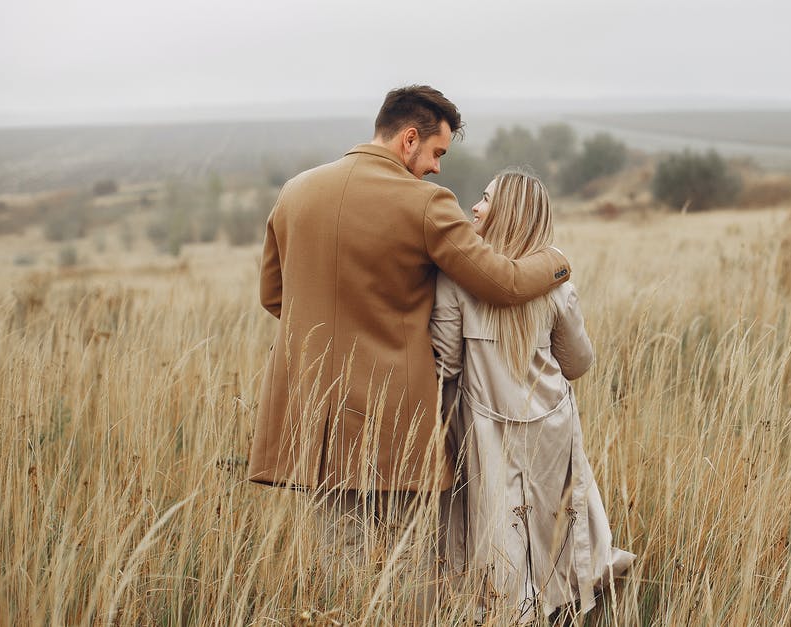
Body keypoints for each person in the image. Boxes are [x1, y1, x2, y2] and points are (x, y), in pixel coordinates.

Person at [247, 86, 571, 573]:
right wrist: (556, 263)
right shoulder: (427, 204)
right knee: (406, 568)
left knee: (339, 563)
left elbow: (274, 296)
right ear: (409, 138)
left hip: (315, 415)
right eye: (437, 152)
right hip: (393, 419)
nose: (437, 167)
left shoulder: (296, 191)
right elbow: (502, 282)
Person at [432, 169, 634, 623]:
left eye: (485, 200)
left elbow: (444, 364)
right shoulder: (556, 285)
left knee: (499, 542)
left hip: (485, 431)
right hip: (551, 426)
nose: (476, 207)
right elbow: (579, 364)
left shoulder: (454, 282)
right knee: (553, 533)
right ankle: (563, 607)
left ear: (508, 214)